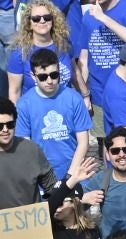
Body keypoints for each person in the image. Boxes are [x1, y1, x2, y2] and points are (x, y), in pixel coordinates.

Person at [15, 49, 89, 184]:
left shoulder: (74, 98)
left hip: (74, 173)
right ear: (33, 76)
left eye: (54, 75)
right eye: (43, 77)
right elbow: (25, 147)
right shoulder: (24, 104)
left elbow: (83, 143)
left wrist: (70, 177)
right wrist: (44, 179)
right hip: (42, 177)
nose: (50, 81)